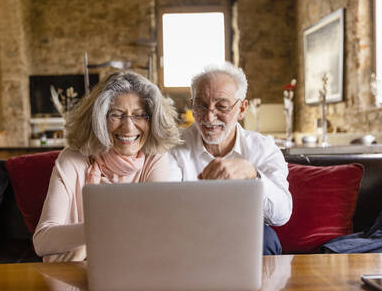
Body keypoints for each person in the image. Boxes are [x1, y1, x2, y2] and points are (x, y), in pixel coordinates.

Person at [33, 71, 181, 262]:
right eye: (116, 115)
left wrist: (91, 244)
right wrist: (104, 231)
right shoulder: (72, 160)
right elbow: (42, 240)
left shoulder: (155, 157)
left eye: (139, 115)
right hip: (77, 277)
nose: (128, 127)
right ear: (99, 118)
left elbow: (152, 232)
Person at [168, 62, 292, 255]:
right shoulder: (175, 146)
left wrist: (254, 175)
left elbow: (281, 215)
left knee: (266, 238)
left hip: (244, 235)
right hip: (188, 236)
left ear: (242, 109)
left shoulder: (264, 149)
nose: (209, 117)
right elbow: (167, 211)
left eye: (221, 106)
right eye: (200, 105)